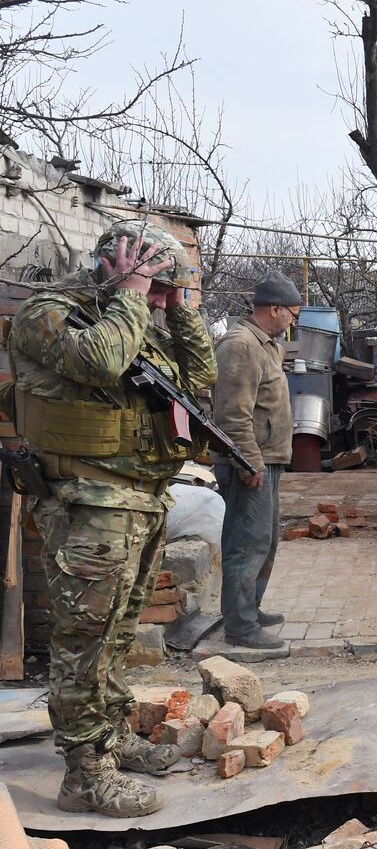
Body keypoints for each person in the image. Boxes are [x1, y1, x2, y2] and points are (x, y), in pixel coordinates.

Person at [8, 219, 215, 817]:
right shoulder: (49, 314)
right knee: (83, 643)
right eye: (154, 288)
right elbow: (97, 364)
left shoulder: (134, 322)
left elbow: (197, 378)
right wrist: (130, 294)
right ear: (113, 266)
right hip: (87, 505)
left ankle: (112, 736)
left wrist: (176, 308)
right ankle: (84, 773)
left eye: (161, 293)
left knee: (118, 637)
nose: (154, 302)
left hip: (137, 500)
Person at [212, 274, 299, 651]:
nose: (293, 321)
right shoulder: (241, 346)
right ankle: (241, 626)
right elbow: (232, 414)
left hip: (268, 459)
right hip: (249, 463)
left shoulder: (269, 346)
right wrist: (248, 461)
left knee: (265, 539)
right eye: (292, 314)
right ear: (275, 309)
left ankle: (251, 608)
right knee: (246, 543)